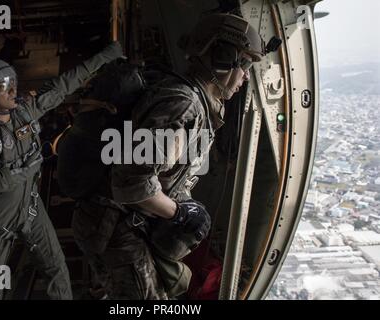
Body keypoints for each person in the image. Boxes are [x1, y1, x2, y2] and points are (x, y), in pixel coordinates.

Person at [67, 13, 265, 300]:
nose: (246, 75)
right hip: (116, 230)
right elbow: (132, 185)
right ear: (222, 58)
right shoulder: (181, 105)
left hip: (120, 225)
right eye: (244, 64)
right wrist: (181, 213)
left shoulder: (192, 102)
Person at [0, 42, 124, 300]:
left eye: (12, 82)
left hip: (31, 210)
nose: (13, 89)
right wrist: (28, 168)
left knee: (57, 269)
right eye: (4, 86)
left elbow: (64, 85)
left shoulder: (25, 112)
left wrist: (105, 56)